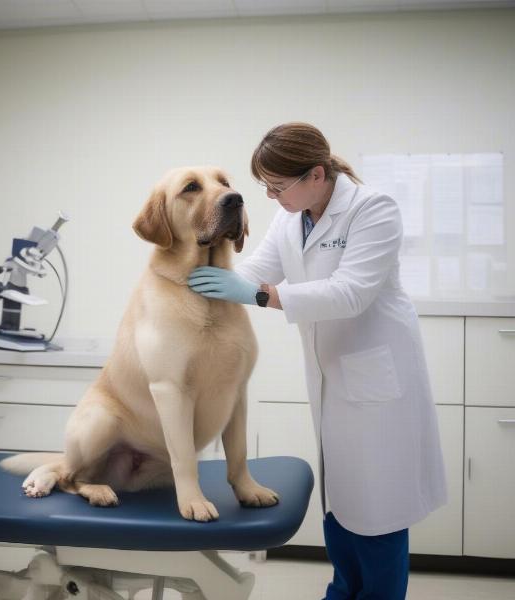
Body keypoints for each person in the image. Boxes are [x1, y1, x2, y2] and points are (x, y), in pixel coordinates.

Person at [187, 122, 447, 600]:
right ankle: (342, 590)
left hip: (377, 379)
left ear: (317, 174)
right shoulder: (292, 215)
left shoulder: (373, 209)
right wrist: (199, 278)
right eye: (264, 186)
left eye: (278, 186)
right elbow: (256, 270)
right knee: (343, 500)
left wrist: (258, 296)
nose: (270, 196)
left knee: (379, 506)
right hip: (331, 377)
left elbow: (350, 293)